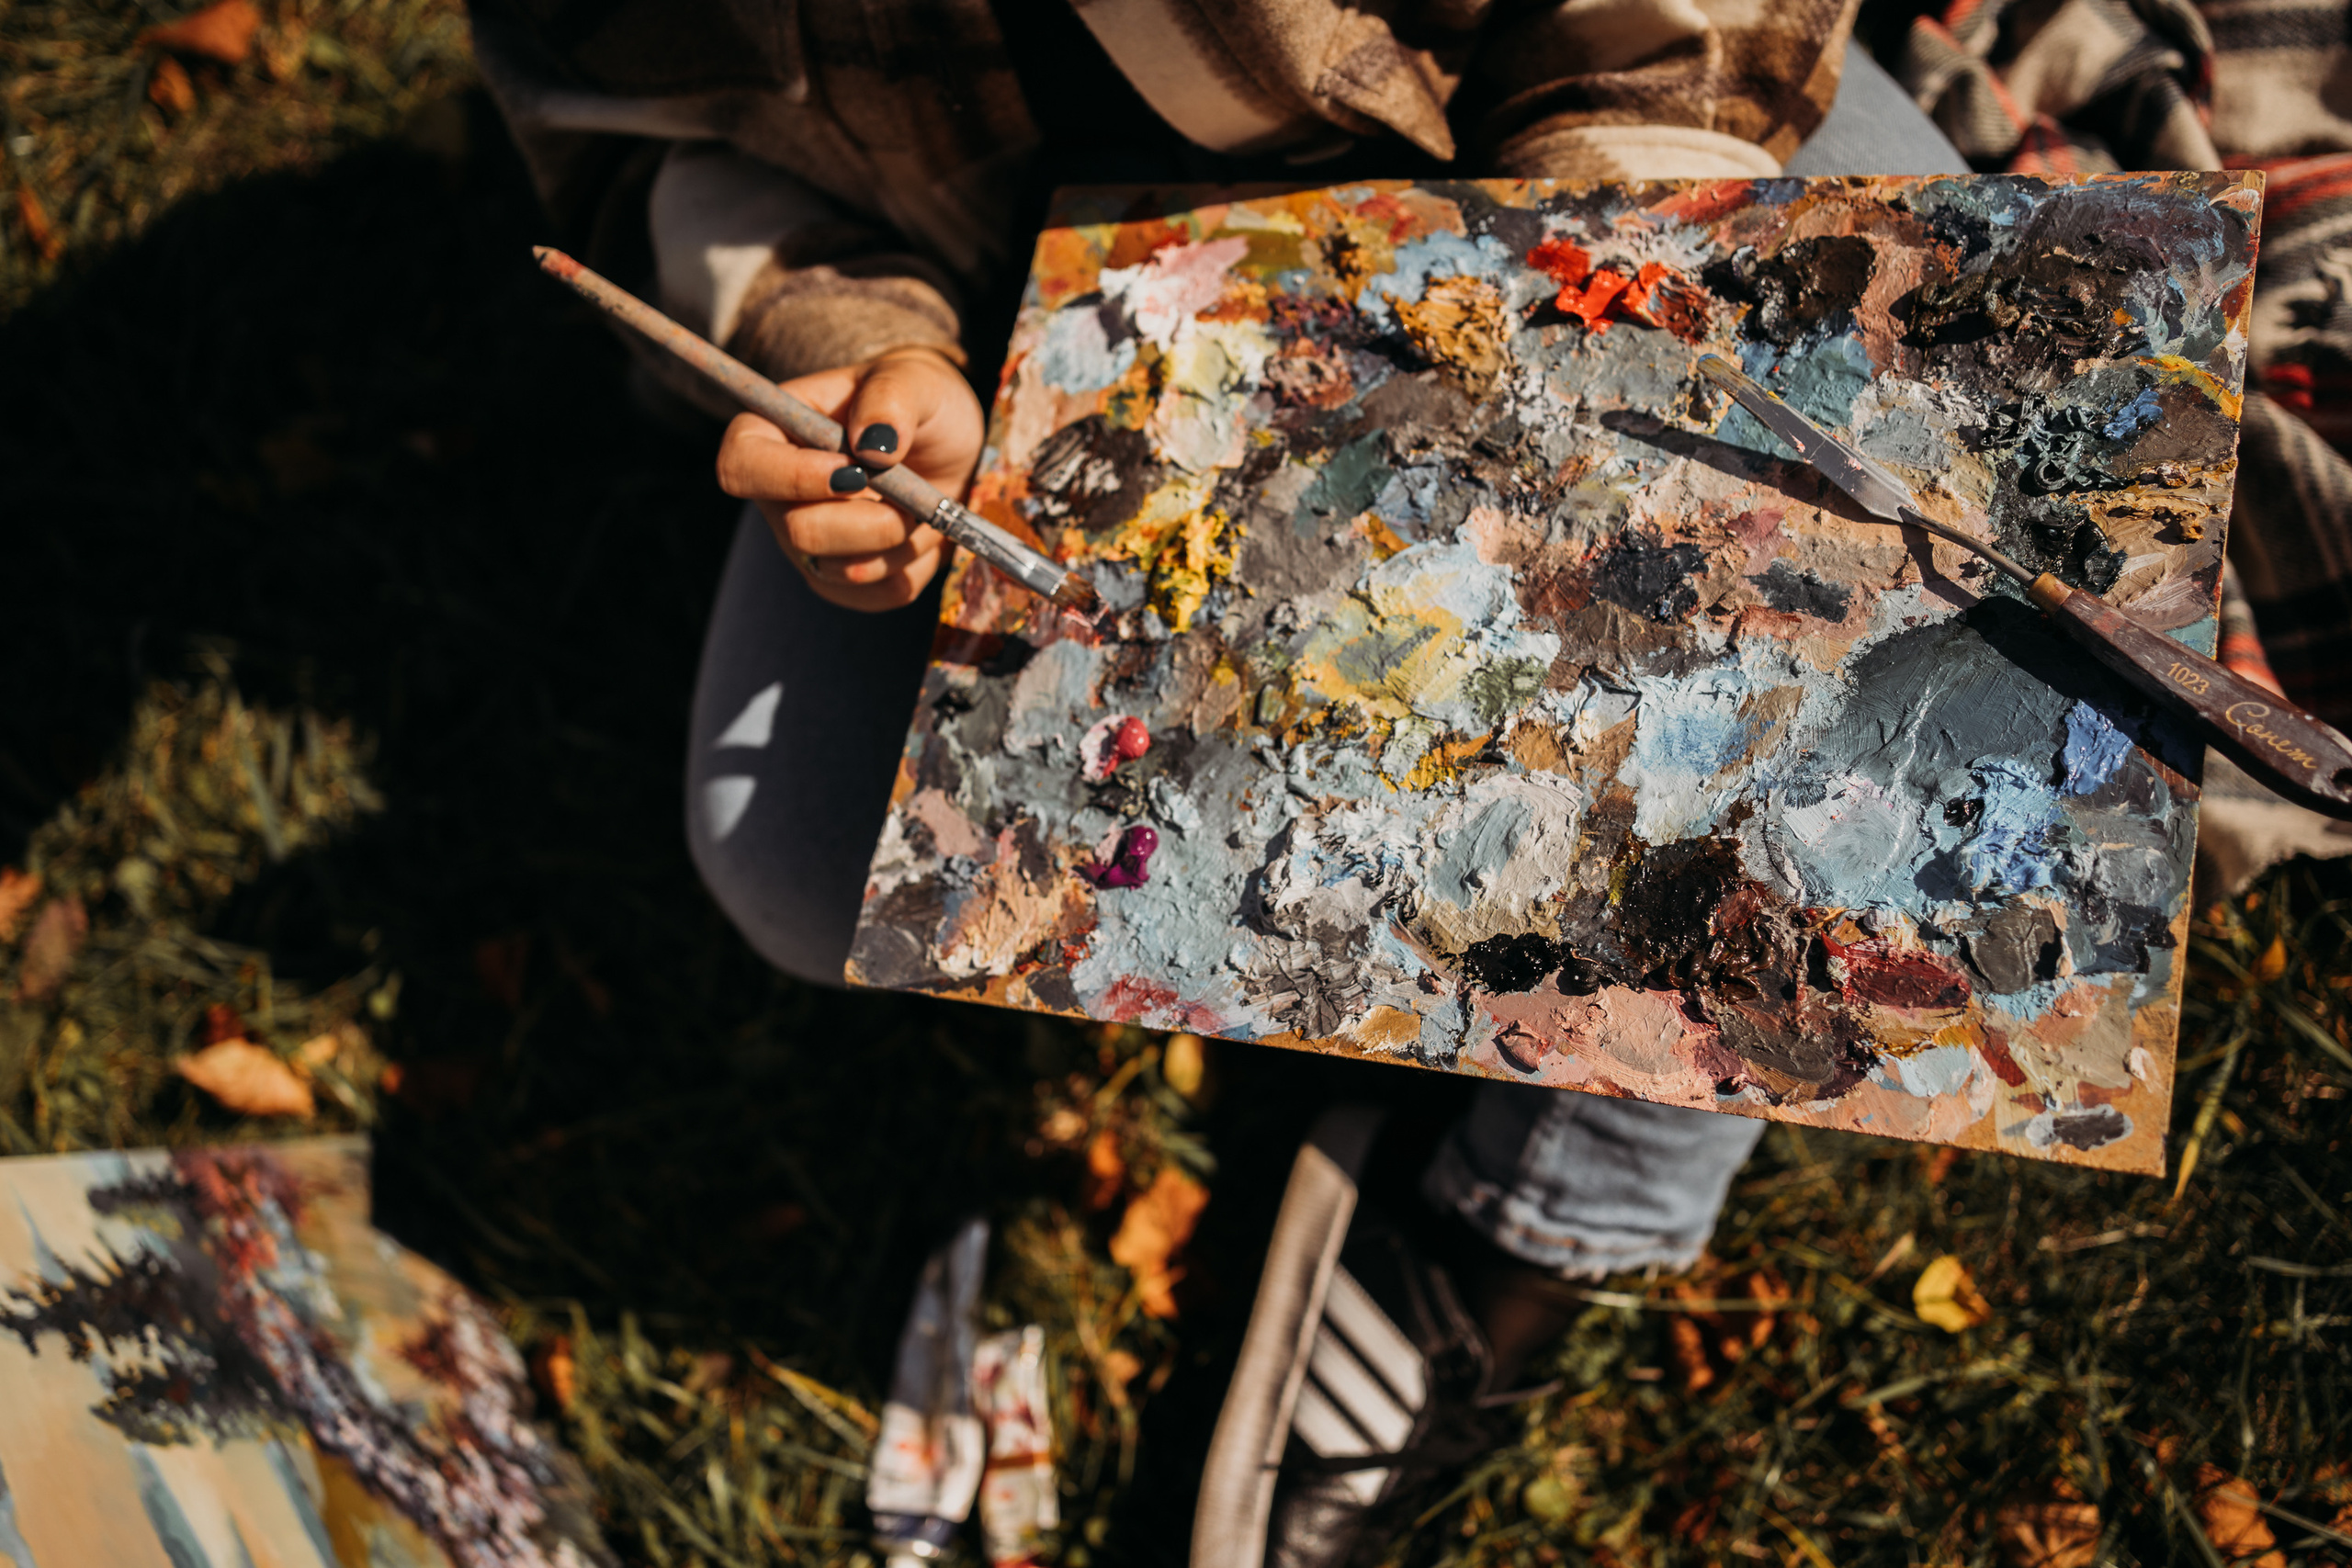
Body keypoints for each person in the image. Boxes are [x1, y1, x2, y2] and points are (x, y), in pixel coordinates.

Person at [467, 3, 1967, 1562]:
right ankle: (1355, 964)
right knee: (795, 850)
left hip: (1579, 111)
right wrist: (858, 343)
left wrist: (1602, 265)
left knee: (1864, 537)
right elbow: (668, 152)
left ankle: (1529, 1221)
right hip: (1030, 266)